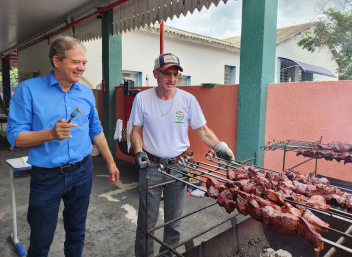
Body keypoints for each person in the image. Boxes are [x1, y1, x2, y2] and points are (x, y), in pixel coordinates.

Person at [6, 36, 120, 257]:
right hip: (47, 177)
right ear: (57, 61)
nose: (81, 68)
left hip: (82, 172)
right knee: (41, 238)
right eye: (76, 62)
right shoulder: (28, 90)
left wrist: (110, 161)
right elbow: (14, 137)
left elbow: (95, 130)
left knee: (76, 233)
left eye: (84, 63)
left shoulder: (86, 93)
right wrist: (50, 134)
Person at [130, 53, 235, 257]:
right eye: (166, 73)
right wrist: (138, 151)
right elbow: (136, 130)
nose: (172, 79)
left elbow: (202, 129)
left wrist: (219, 146)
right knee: (146, 224)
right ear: (155, 74)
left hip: (179, 167)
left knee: (174, 223)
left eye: (175, 74)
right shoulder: (142, 99)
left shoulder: (188, 100)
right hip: (150, 166)